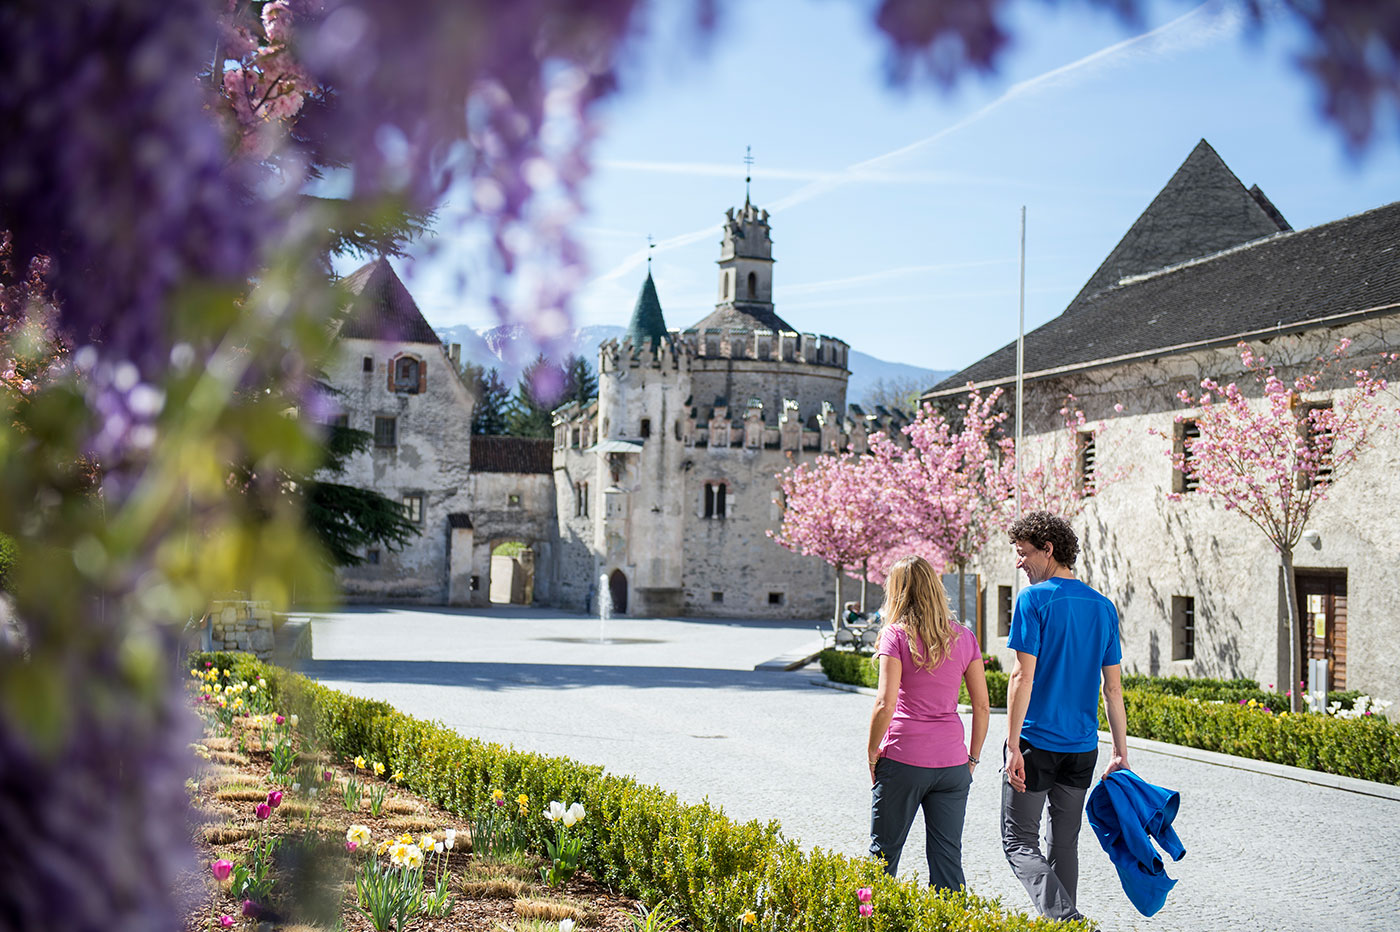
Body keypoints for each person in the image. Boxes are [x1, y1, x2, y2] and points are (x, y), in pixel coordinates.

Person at [1001, 511, 1130, 922]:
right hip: (1082, 749)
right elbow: (1113, 689)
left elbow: (1021, 676)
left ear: (1048, 549)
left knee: (1018, 841)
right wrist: (1120, 753)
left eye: (1023, 553)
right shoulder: (1104, 607)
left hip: (1036, 744)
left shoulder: (1034, 600)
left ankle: (1067, 921)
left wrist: (1012, 745)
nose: (1019, 562)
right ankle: (1065, 924)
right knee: (1063, 845)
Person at [867, 555, 990, 890]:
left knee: (882, 857)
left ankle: (866, 917)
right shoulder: (965, 637)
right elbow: (982, 706)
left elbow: (885, 703)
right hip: (952, 764)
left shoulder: (895, 636)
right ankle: (953, 918)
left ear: (897, 592)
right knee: (947, 860)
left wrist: (872, 753)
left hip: (903, 759)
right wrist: (972, 758)